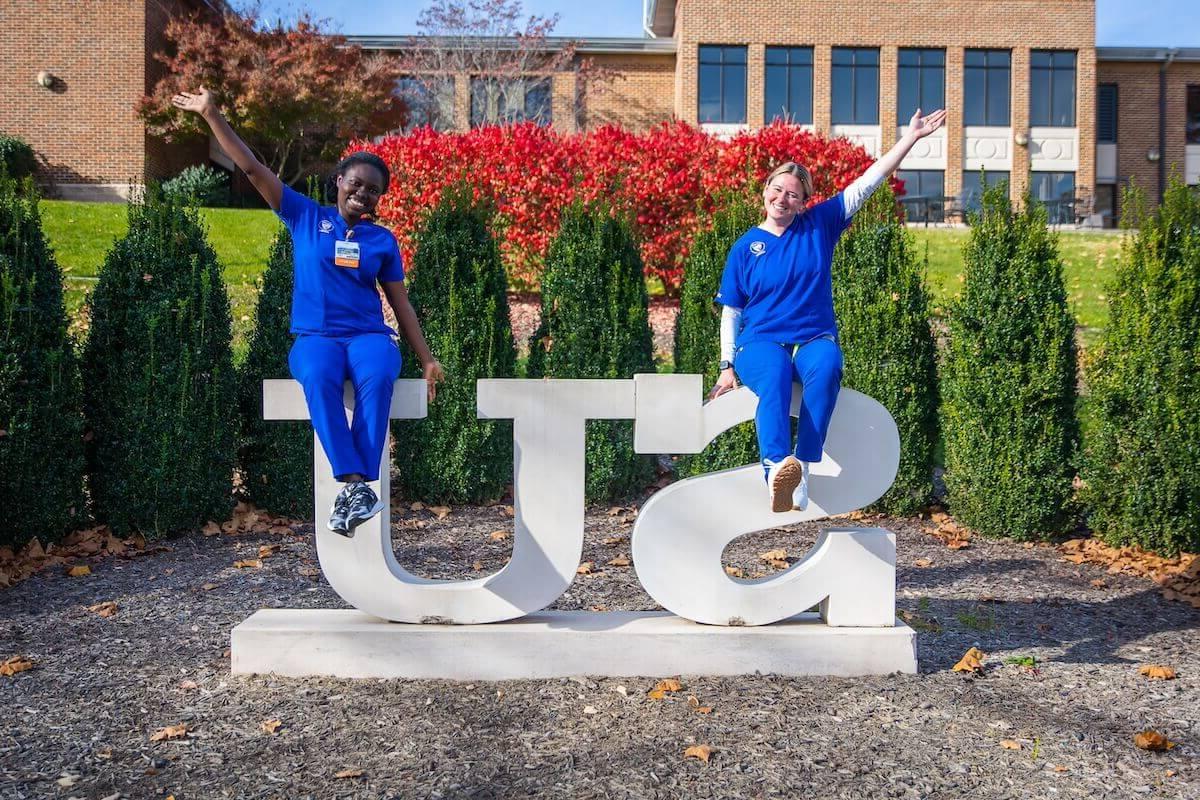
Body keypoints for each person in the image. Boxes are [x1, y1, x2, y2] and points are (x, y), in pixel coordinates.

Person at [172, 87, 445, 536]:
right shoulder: (304, 215)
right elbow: (251, 166)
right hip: (316, 338)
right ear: (338, 181)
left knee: (377, 376)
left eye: (373, 191)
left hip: (368, 337)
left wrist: (427, 357)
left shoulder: (382, 241)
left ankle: (357, 491)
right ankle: (357, 484)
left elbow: (401, 304)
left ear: (380, 199)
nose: (362, 193)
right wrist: (211, 114)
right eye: (355, 183)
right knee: (318, 377)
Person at [710, 107, 947, 513]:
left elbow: (869, 182)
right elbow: (732, 310)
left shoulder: (820, 224)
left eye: (793, 194)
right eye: (777, 189)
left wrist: (910, 139)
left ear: (804, 203)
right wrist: (726, 366)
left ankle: (799, 467)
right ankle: (774, 471)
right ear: (765, 189)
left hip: (813, 336)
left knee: (826, 368)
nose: (783, 198)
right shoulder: (745, 247)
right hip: (760, 342)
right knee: (777, 375)